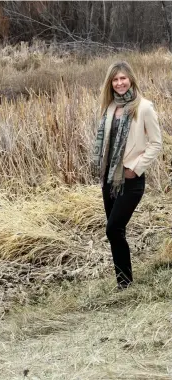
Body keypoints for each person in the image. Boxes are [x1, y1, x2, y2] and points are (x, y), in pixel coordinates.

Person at [93, 61, 162, 289]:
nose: (119, 83)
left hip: (131, 179)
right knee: (116, 232)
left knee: (113, 228)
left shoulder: (144, 107)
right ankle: (124, 283)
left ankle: (125, 283)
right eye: (115, 79)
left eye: (123, 78)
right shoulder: (110, 107)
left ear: (131, 79)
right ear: (110, 83)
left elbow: (156, 143)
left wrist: (136, 168)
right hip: (110, 179)